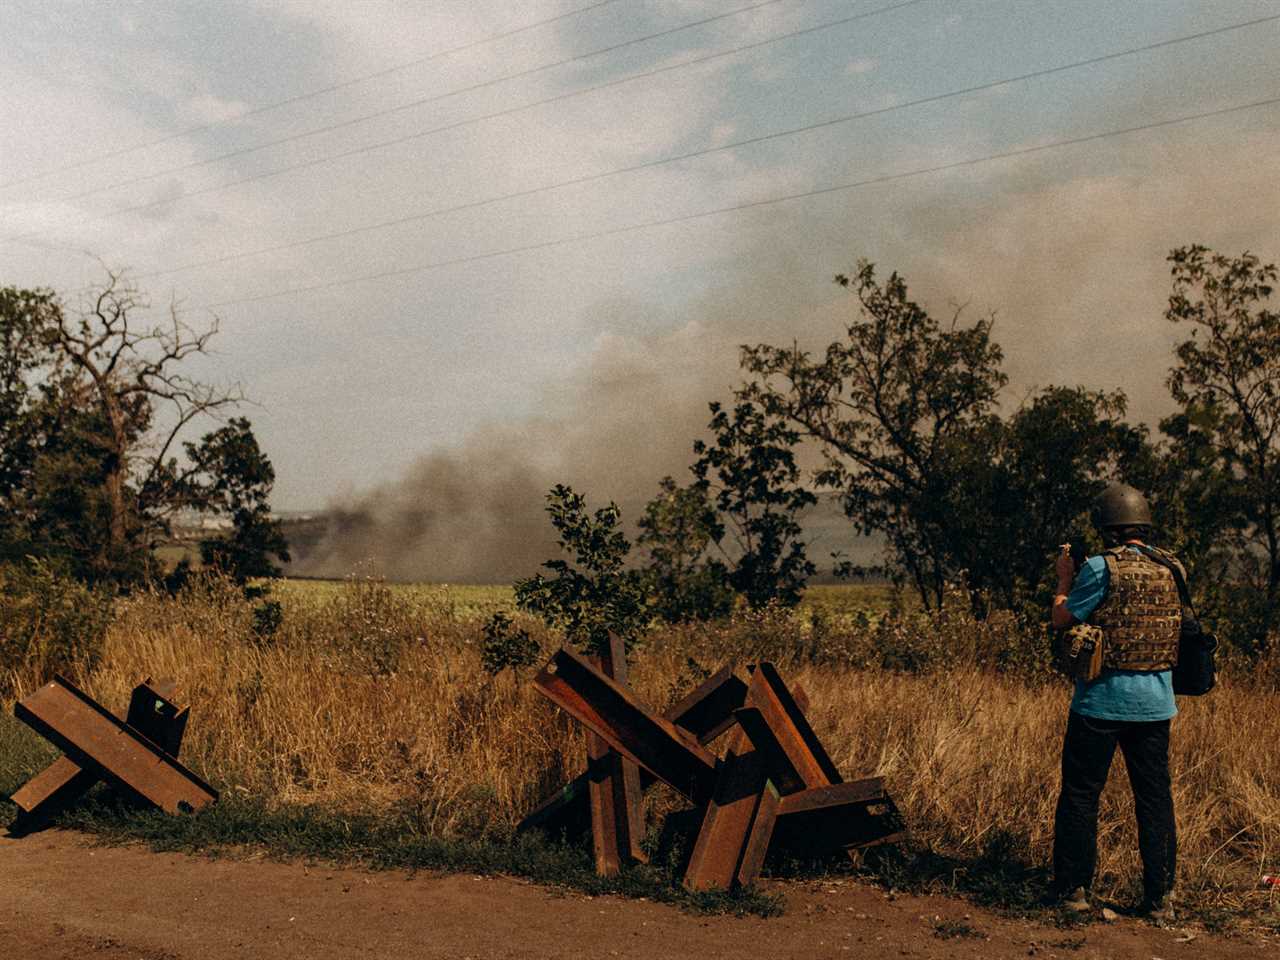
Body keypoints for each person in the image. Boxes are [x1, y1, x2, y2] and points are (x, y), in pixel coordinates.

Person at [1049, 483, 1181, 924]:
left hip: (1099, 705)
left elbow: (1063, 619)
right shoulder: (1173, 568)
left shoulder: (1101, 568)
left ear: (1107, 528)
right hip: (1156, 706)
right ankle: (1160, 899)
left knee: (1081, 796)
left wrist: (1065, 579)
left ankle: (1073, 892)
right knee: (1155, 801)